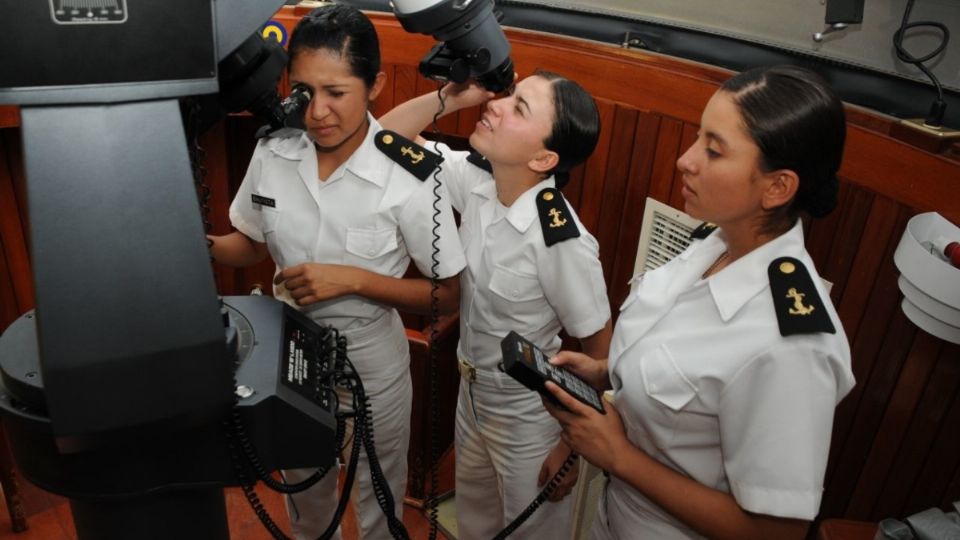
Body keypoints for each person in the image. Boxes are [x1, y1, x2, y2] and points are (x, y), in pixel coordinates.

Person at [542, 64, 857, 539]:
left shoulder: (793, 345)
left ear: (777, 187)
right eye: (697, 138)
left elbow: (776, 531)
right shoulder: (714, 241)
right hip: (615, 514)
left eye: (713, 150)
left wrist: (618, 457)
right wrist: (608, 370)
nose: (685, 160)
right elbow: (688, 368)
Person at [208, 5, 466, 540]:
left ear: (373, 86)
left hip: (371, 360)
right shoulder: (275, 153)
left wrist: (351, 280)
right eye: (303, 90)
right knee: (306, 497)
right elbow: (249, 244)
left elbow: (447, 294)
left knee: (379, 499)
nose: (317, 111)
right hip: (291, 354)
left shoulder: (410, 174)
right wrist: (195, 246)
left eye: (336, 92)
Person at [379, 71, 613, 539]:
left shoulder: (560, 240)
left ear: (545, 157)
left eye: (519, 108)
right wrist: (450, 97)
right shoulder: (477, 180)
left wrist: (571, 451)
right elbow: (386, 137)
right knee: (475, 526)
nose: (497, 106)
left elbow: (605, 363)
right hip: (471, 397)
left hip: (529, 415)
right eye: (510, 95)